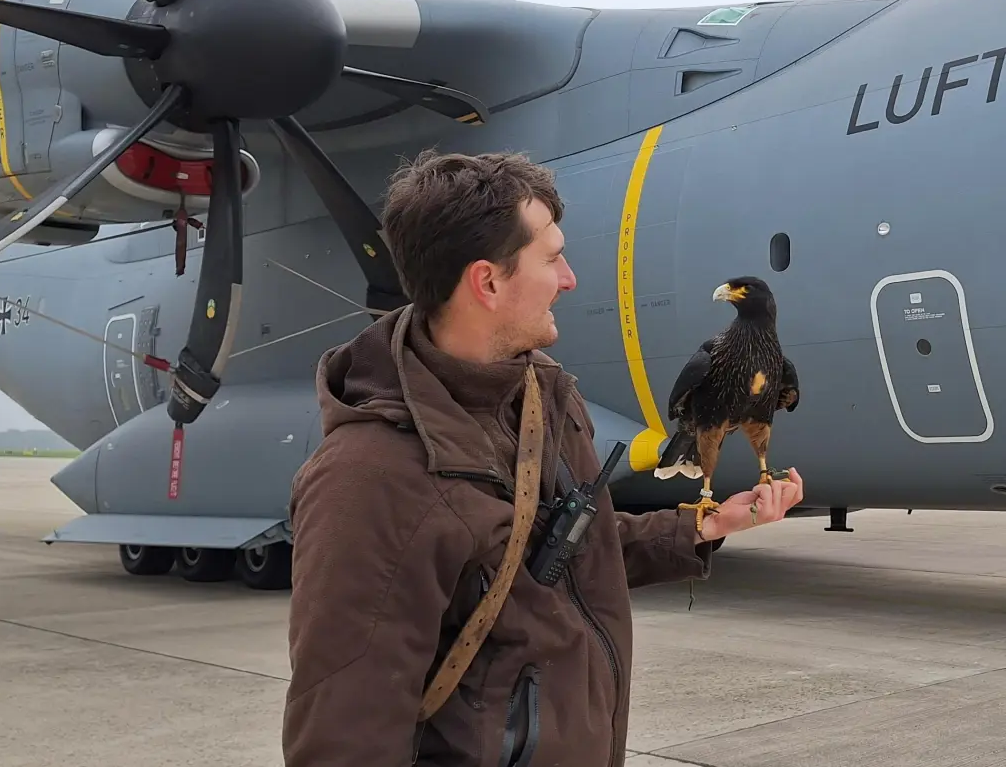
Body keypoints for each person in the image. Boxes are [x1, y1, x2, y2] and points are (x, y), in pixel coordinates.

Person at [281, 149, 804, 767]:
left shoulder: (544, 395)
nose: (570, 278)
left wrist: (705, 526)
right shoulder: (368, 480)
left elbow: (567, 551)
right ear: (487, 282)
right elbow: (345, 736)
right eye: (552, 258)